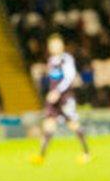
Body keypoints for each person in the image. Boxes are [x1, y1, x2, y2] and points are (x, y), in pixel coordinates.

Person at [31, 33, 91, 164]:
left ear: (62, 46)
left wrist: (58, 91)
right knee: (48, 124)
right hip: (53, 98)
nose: (54, 47)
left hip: (65, 97)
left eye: (56, 44)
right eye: (51, 45)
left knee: (73, 124)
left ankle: (86, 153)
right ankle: (41, 156)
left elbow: (70, 77)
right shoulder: (51, 60)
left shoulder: (67, 59)